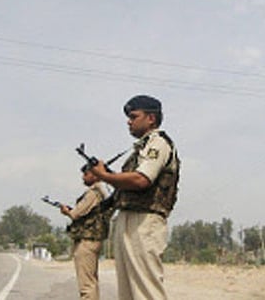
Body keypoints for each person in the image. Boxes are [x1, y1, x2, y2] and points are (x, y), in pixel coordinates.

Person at [89, 95, 180, 300]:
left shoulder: (159, 143)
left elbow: (141, 180)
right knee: (128, 291)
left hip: (145, 222)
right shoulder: (141, 148)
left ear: (151, 119)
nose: (129, 121)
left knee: (146, 290)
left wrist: (104, 175)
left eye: (133, 116)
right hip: (129, 219)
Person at [60, 166, 110, 300]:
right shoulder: (100, 192)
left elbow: (76, 214)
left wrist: (67, 211)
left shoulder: (94, 192)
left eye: (86, 174)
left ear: (96, 175)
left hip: (87, 241)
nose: (83, 177)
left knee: (86, 285)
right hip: (92, 239)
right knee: (91, 282)